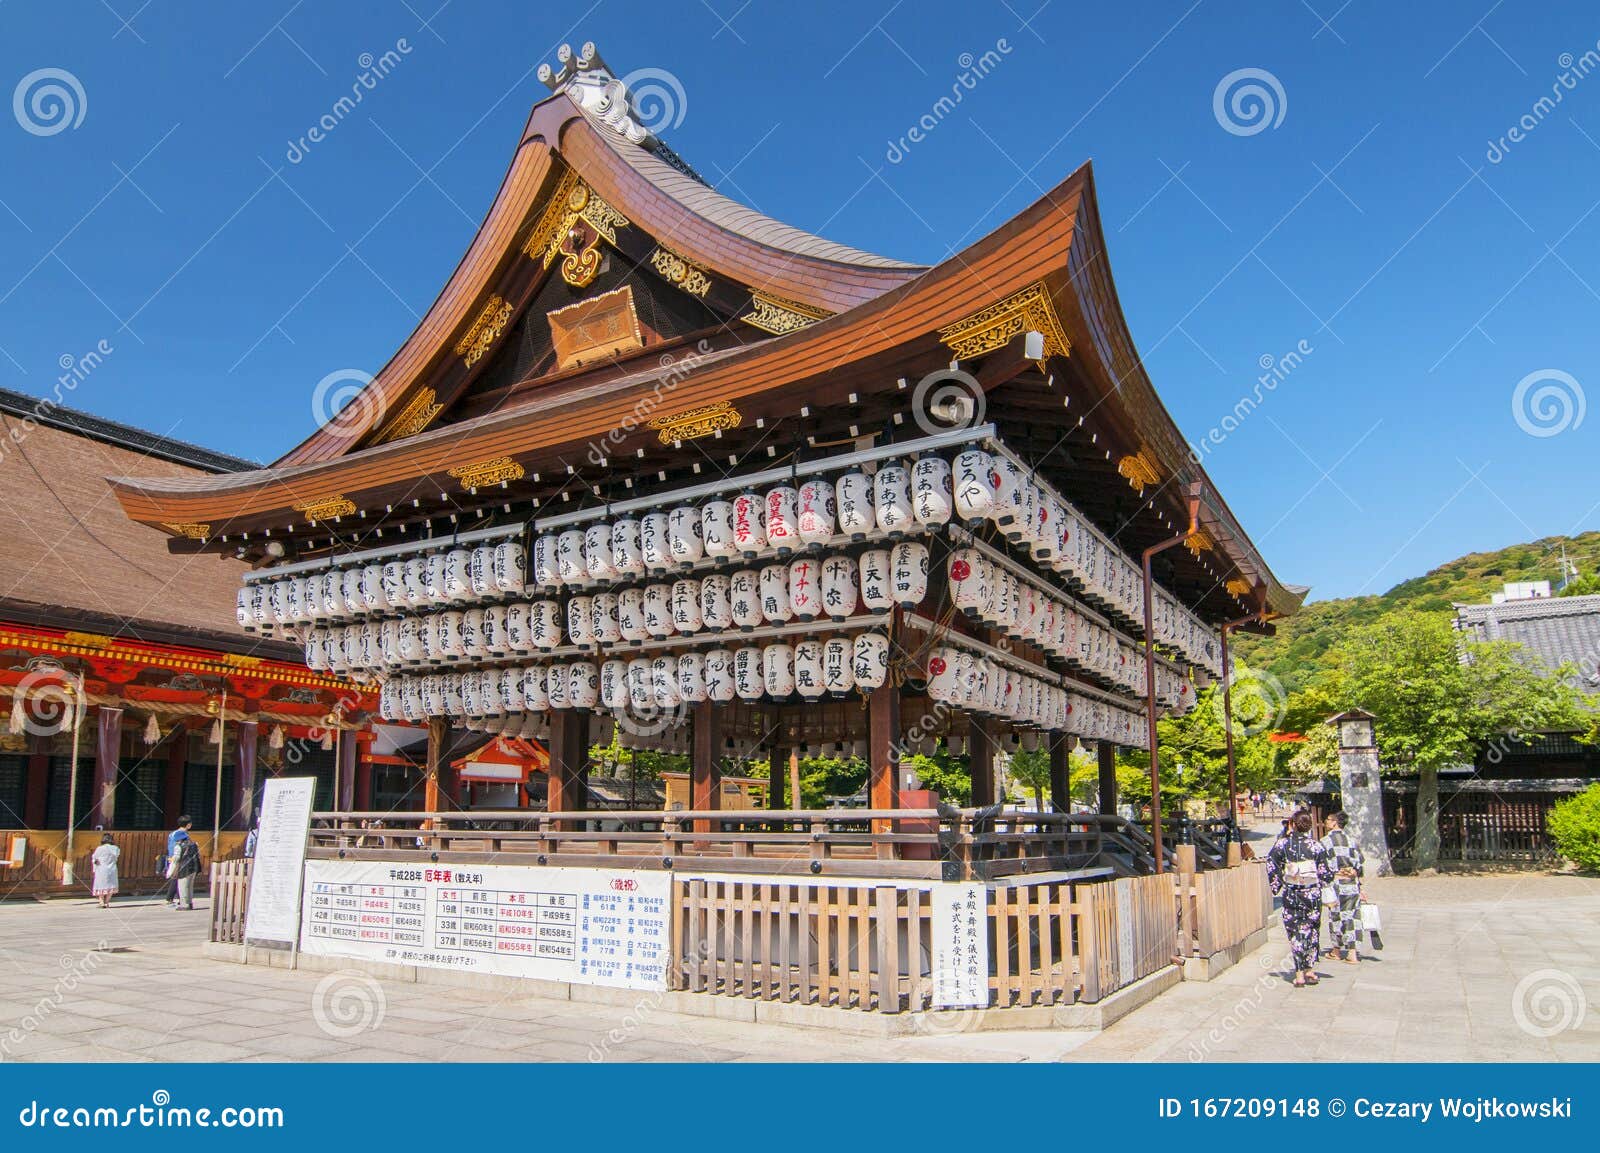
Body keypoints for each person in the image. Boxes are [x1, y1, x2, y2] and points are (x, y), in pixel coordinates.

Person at [1266, 808, 1334, 987]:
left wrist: (1278, 883)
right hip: (1312, 894)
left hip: (1292, 893)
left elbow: (1271, 862)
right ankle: (1309, 969)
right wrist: (1322, 879)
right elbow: (1326, 874)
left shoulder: (1283, 844)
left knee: (1295, 932)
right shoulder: (1317, 846)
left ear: (1293, 825)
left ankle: (1299, 974)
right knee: (1311, 930)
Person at [1320, 810, 1365, 964]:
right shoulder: (1351, 840)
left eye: (1327, 820)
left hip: (1336, 883)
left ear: (1334, 822)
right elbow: (1359, 862)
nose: (1325, 822)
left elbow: (1322, 866)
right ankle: (1352, 952)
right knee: (1353, 917)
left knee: (1336, 916)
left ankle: (1337, 950)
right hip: (1351, 883)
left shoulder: (1325, 841)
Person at [162, 816, 193, 907]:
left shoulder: (172, 833)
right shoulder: (182, 834)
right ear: (188, 825)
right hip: (179, 858)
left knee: (176, 878)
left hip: (173, 857)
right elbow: (183, 847)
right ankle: (172, 899)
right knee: (179, 878)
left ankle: (176, 899)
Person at [170, 832, 202, 910]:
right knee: (190, 886)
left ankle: (184, 904)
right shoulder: (194, 844)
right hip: (194, 868)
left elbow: (176, 859)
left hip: (183, 868)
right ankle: (190, 903)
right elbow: (198, 855)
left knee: (183, 887)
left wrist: (171, 867)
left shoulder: (178, 846)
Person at [90, 834, 120, 909]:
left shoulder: (100, 848)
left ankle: (101, 902)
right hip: (112, 868)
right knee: (111, 885)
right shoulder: (116, 848)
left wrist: (95, 862)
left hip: (101, 868)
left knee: (100, 885)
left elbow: (94, 857)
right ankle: (107, 902)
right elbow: (116, 856)